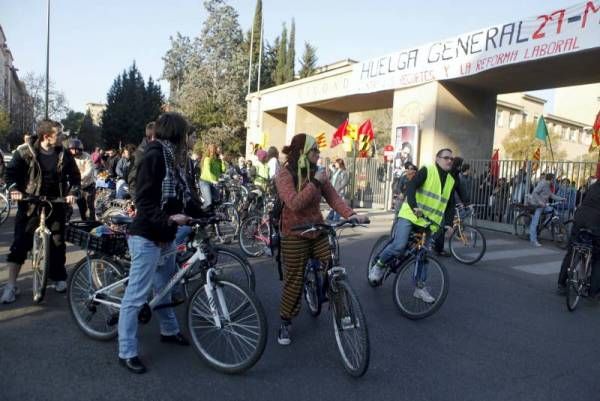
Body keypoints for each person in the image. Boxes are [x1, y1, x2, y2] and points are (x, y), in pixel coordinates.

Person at [118, 112, 203, 374]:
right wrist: (169, 219)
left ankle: (169, 330)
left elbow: (183, 198)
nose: (189, 140)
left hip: (164, 234)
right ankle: (126, 351)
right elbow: (144, 202)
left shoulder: (175, 162)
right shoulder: (154, 156)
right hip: (146, 235)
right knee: (136, 296)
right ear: (177, 135)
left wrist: (205, 213)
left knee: (164, 288)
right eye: (186, 134)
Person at [275, 133, 368, 345]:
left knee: (333, 266)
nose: (319, 154)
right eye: (315, 150)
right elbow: (294, 203)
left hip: (317, 229)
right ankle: (285, 322)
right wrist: (315, 183)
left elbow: (333, 197)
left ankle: (342, 310)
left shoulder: (319, 172)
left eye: (318, 150)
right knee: (294, 282)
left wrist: (350, 214)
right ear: (303, 153)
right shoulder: (284, 174)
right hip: (294, 232)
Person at [1, 120, 80, 304]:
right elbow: (10, 173)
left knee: (58, 241)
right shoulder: (25, 151)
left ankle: (59, 277)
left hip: (56, 203)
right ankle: (11, 285)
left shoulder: (64, 154)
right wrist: (14, 189)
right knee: (20, 243)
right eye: (59, 134)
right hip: (30, 203)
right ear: (47, 136)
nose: (62, 137)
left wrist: (72, 193)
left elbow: (75, 177)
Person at [369, 148, 457, 301]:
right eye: (446, 157)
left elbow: (450, 205)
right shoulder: (427, 170)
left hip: (429, 223)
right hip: (410, 215)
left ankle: (419, 288)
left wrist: (449, 224)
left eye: (452, 159)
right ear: (437, 159)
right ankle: (379, 265)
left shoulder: (450, 181)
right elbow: (411, 186)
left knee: (423, 255)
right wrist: (414, 205)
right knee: (399, 246)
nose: (450, 160)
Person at [557, 179, 600, 295]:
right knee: (598, 257)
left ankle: (561, 283)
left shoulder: (594, 186)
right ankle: (593, 291)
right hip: (596, 222)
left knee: (572, 250)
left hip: (580, 218)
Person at [526, 173, 565, 247]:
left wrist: (561, 199)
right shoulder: (543, 183)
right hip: (537, 205)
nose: (554, 181)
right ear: (551, 179)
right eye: (554, 179)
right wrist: (539, 201)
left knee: (554, 212)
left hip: (544, 205)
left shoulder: (548, 185)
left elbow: (551, 195)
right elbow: (535, 192)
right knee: (535, 222)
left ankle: (547, 225)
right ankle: (533, 240)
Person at [68, 138, 96, 220]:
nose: (73, 152)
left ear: (80, 149)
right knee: (71, 206)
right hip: (76, 186)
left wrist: (77, 178)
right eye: (71, 149)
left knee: (89, 207)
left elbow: (89, 171)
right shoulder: (69, 157)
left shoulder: (87, 157)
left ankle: (91, 225)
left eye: (75, 150)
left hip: (88, 186)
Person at [128, 122, 156, 201]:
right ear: (153, 137)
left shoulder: (152, 151)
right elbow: (132, 180)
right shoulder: (141, 154)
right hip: (144, 201)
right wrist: (138, 203)